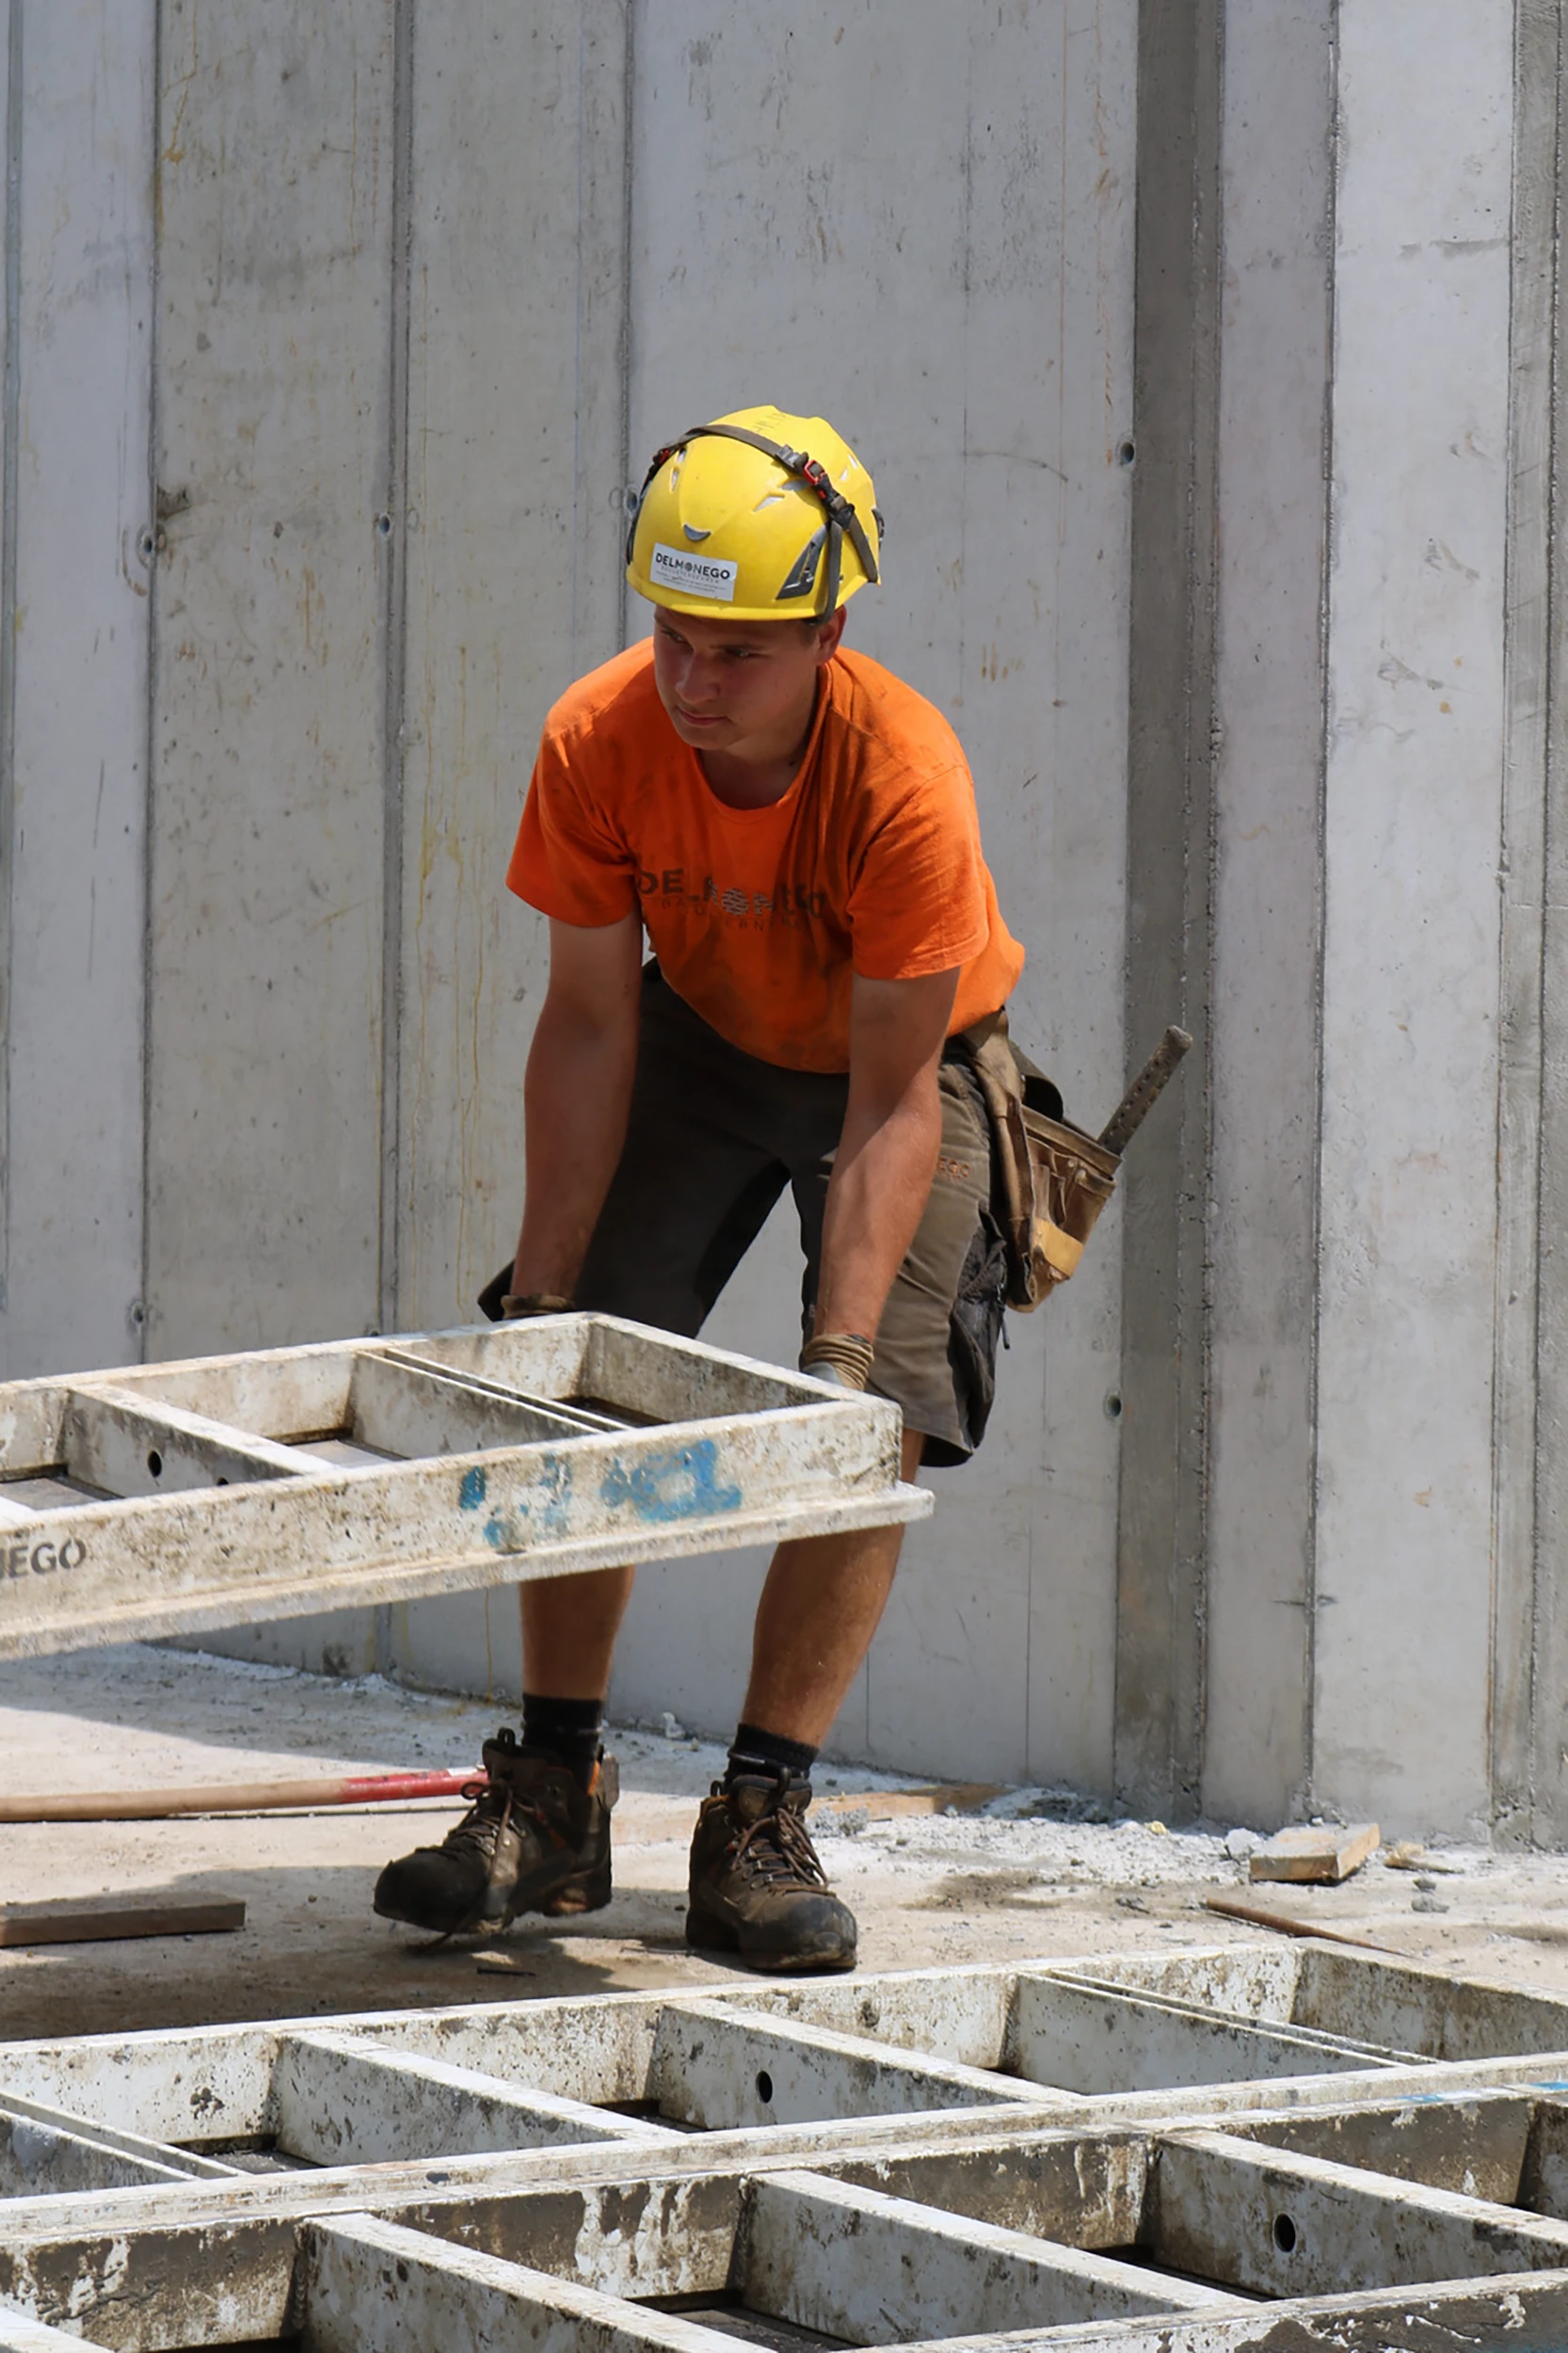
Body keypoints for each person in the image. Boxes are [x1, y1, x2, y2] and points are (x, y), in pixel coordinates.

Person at [374, 406, 1025, 1972]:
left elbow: (885, 1099)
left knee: (876, 1423)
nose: (692, 683)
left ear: (828, 631)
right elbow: (591, 1023)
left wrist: (835, 1365)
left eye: (738, 652)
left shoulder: (902, 778)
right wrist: (542, 1308)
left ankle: (757, 1818)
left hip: (900, 1062)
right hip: (703, 1029)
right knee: (575, 1388)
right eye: (671, 637)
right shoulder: (598, 740)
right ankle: (549, 1795)